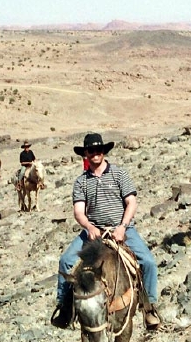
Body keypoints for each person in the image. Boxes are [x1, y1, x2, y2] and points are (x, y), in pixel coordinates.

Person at [51, 133, 161, 330]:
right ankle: (64, 308)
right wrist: (90, 227)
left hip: (121, 229)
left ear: (104, 152)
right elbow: (79, 211)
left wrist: (122, 226)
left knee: (148, 262)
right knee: (66, 261)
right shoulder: (81, 182)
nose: (95, 154)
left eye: (98, 150)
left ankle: (149, 306)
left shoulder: (119, 174)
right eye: (91, 151)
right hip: (93, 232)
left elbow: (131, 202)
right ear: (85, 154)